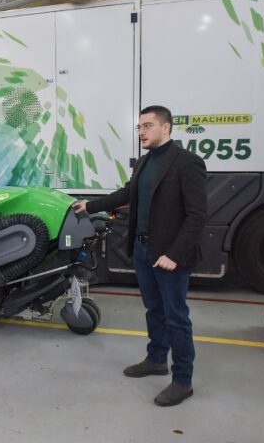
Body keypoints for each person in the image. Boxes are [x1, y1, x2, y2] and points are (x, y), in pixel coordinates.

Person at [73, 105, 206, 407]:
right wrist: (89, 205)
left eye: (148, 126)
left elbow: (197, 216)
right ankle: (156, 359)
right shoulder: (145, 162)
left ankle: (182, 380)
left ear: (166, 128)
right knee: (153, 309)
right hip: (143, 249)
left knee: (176, 317)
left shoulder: (187, 162)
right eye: (139, 127)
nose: (141, 132)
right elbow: (126, 194)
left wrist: (174, 254)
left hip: (168, 255)